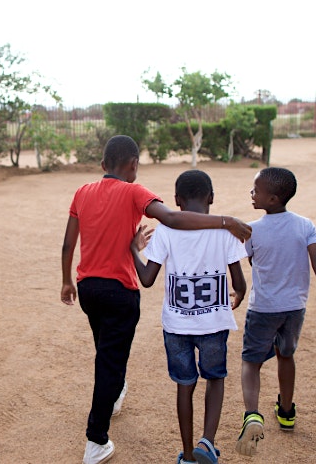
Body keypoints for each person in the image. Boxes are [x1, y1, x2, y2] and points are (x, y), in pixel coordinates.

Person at [61, 135, 252, 464]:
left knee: (107, 350)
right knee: (110, 359)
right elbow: (174, 219)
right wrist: (227, 221)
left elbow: (68, 245)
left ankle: (117, 393)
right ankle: (96, 440)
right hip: (121, 291)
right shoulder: (135, 191)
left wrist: (66, 281)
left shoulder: (82, 191)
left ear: (104, 165)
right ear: (133, 164)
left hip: (88, 288)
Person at [129, 170, 247, 464]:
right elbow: (238, 281)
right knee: (215, 378)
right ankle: (207, 441)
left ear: (176, 201)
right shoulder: (224, 231)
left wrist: (132, 250)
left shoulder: (167, 231)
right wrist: (240, 293)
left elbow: (146, 279)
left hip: (176, 325)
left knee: (185, 385)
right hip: (214, 324)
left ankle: (188, 455)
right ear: (212, 198)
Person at [235, 167, 316, 458]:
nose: (251, 193)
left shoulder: (251, 229)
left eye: (255, 190)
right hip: (294, 308)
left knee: (251, 362)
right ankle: (286, 412)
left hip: (263, 309)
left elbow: (237, 261)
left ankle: (252, 415)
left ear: (273, 198)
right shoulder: (305, 225)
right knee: (286, 354)